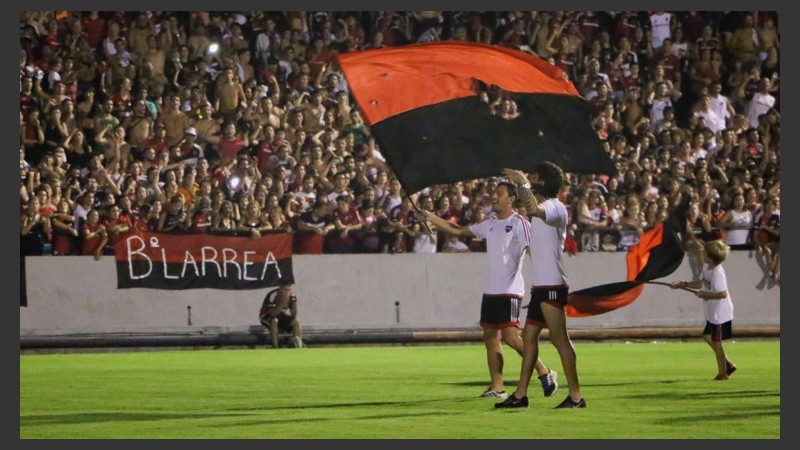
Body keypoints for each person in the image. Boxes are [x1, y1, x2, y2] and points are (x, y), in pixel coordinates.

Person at [421, 180, 558, 401]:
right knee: (490, 337)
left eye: (500, 193)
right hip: (491, 290)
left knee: (512, 338)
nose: (494, 196)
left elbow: (533, 249)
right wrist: (430, 217)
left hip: (510, 290)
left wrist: (544, 280)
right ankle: (498, 387)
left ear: (511, 199)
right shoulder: (491, 223)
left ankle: (545, 371)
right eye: (494, 193)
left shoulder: (519, 223)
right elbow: (458, 229)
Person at [497, 163, 586, 409]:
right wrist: (522, 184)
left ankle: (576, 396)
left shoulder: (555, 207)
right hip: (543, 285)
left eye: (536, 178)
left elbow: (533, 208)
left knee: (560, 340)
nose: (532, 182)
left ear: (544, 182)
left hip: (551, 285)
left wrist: (523, 183)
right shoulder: (548, 206)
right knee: (529, 338)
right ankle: (520, 394)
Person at [670, 240, 737, 380]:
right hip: (712, 312)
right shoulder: (707, 268)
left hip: (720, 313)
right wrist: (682, 284)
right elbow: (699, 283)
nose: (702, 253)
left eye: (704, 252)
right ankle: (728, 365)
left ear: (710, 258)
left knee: (717, 342)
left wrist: (704, 294)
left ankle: (723, 373)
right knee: (707, 336)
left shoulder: (718, 273)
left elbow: (722, 294)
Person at [258, 284, 305, 349]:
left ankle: (299, 344)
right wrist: (282, 304)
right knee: (275, 321)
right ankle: (275, 346)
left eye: (289, 290)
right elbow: (272, 314)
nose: (287, 292)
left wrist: (294, 303)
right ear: (280, 289)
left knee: (296, 321)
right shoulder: (273, 295)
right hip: (266, 315)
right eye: (285, 290)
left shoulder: (292, 296)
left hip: (280, 315)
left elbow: (293, 314)